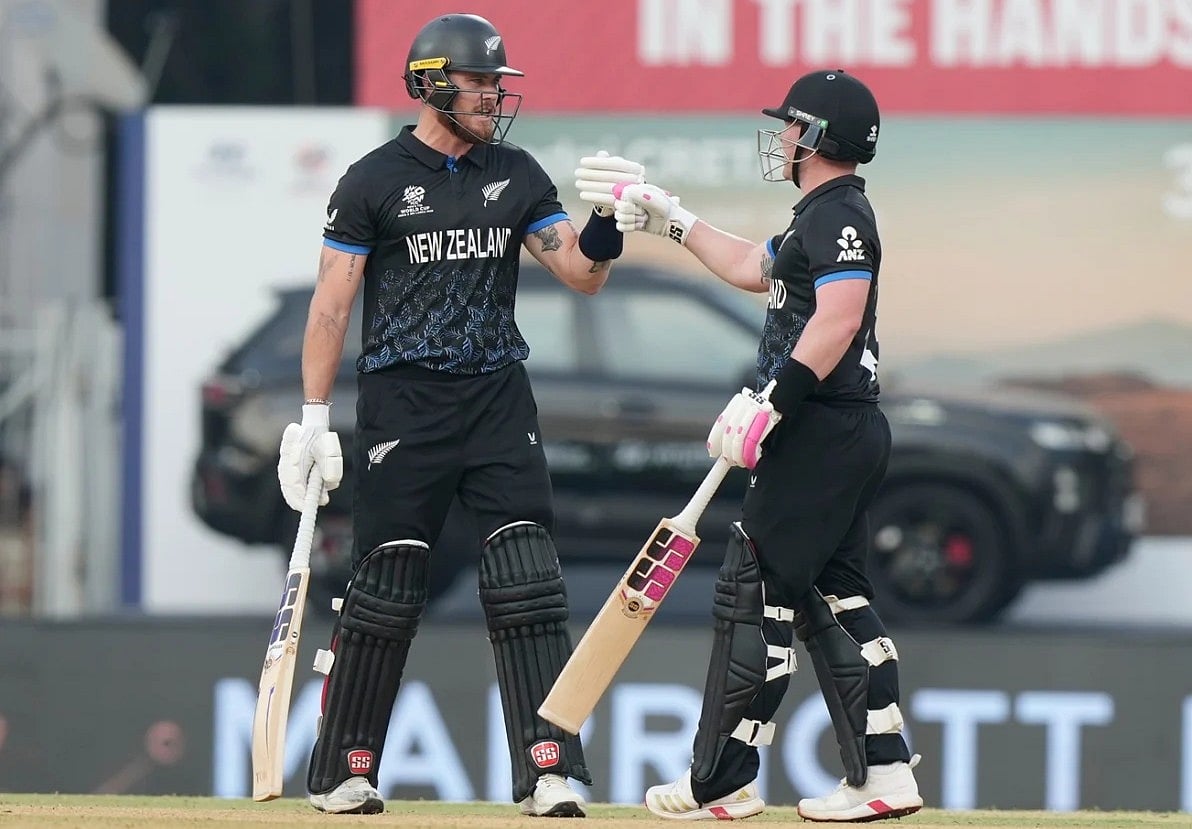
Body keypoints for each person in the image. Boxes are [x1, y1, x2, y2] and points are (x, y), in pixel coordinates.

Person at [275, 12, 644, 817]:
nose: (491, 97)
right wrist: (312, 417)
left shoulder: (516, 173)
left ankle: (548, 768)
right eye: (478, 84)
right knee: (387, 584)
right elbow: (332, 306)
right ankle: (346, 768)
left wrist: (609, 224)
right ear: (431, 84)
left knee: (527, 580)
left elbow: (580, 274)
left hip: (497, 395)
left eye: (494, 84)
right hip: (405, 401)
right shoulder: (372, 180)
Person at [603, 70, 923, 822]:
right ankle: (884, 773)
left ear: (814, 137)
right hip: (836, 430)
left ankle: (719, 781)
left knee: (755, 594)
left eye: (790, 126)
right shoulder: (820, 214)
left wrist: (772, 401)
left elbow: (840, 317)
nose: (780, 137)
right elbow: (756, 267)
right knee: (835, 599)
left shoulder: (841, 215)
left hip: (820, 429)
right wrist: (671, 219)